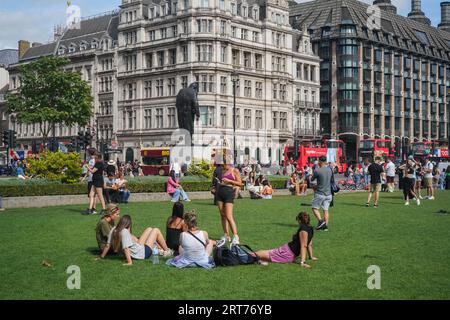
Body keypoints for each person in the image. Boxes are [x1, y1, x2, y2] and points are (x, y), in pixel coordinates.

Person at [100, 215, 173, 266]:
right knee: (156, 230)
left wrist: (102, 256)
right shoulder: (124, 232)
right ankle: (167, 251)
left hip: (138, 248)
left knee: (149, 229)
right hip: (144, 253)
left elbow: (108, 244)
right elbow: (126, 248)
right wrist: (129, 262)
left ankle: (160, 250)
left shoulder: (114, 229)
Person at [216, 160, 242, 247]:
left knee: (229, 216)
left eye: (225, 164)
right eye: (223, 164)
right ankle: (226, 235)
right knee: (222, 215)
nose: (224, 166)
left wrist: (229, 181)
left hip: (229, 193)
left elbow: (240, 183)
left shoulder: (235, 170)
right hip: (220, 192)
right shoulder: (221, 170)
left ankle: (235, 236)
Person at [311, 156, 333, 231]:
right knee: (326, 210)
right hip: (329, 193)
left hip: (320, 193)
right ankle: (325, 227)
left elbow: (312, 179)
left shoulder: (317, 170)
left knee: (314, 208)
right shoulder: (330, 169)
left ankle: (321, 221)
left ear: (320, 161)